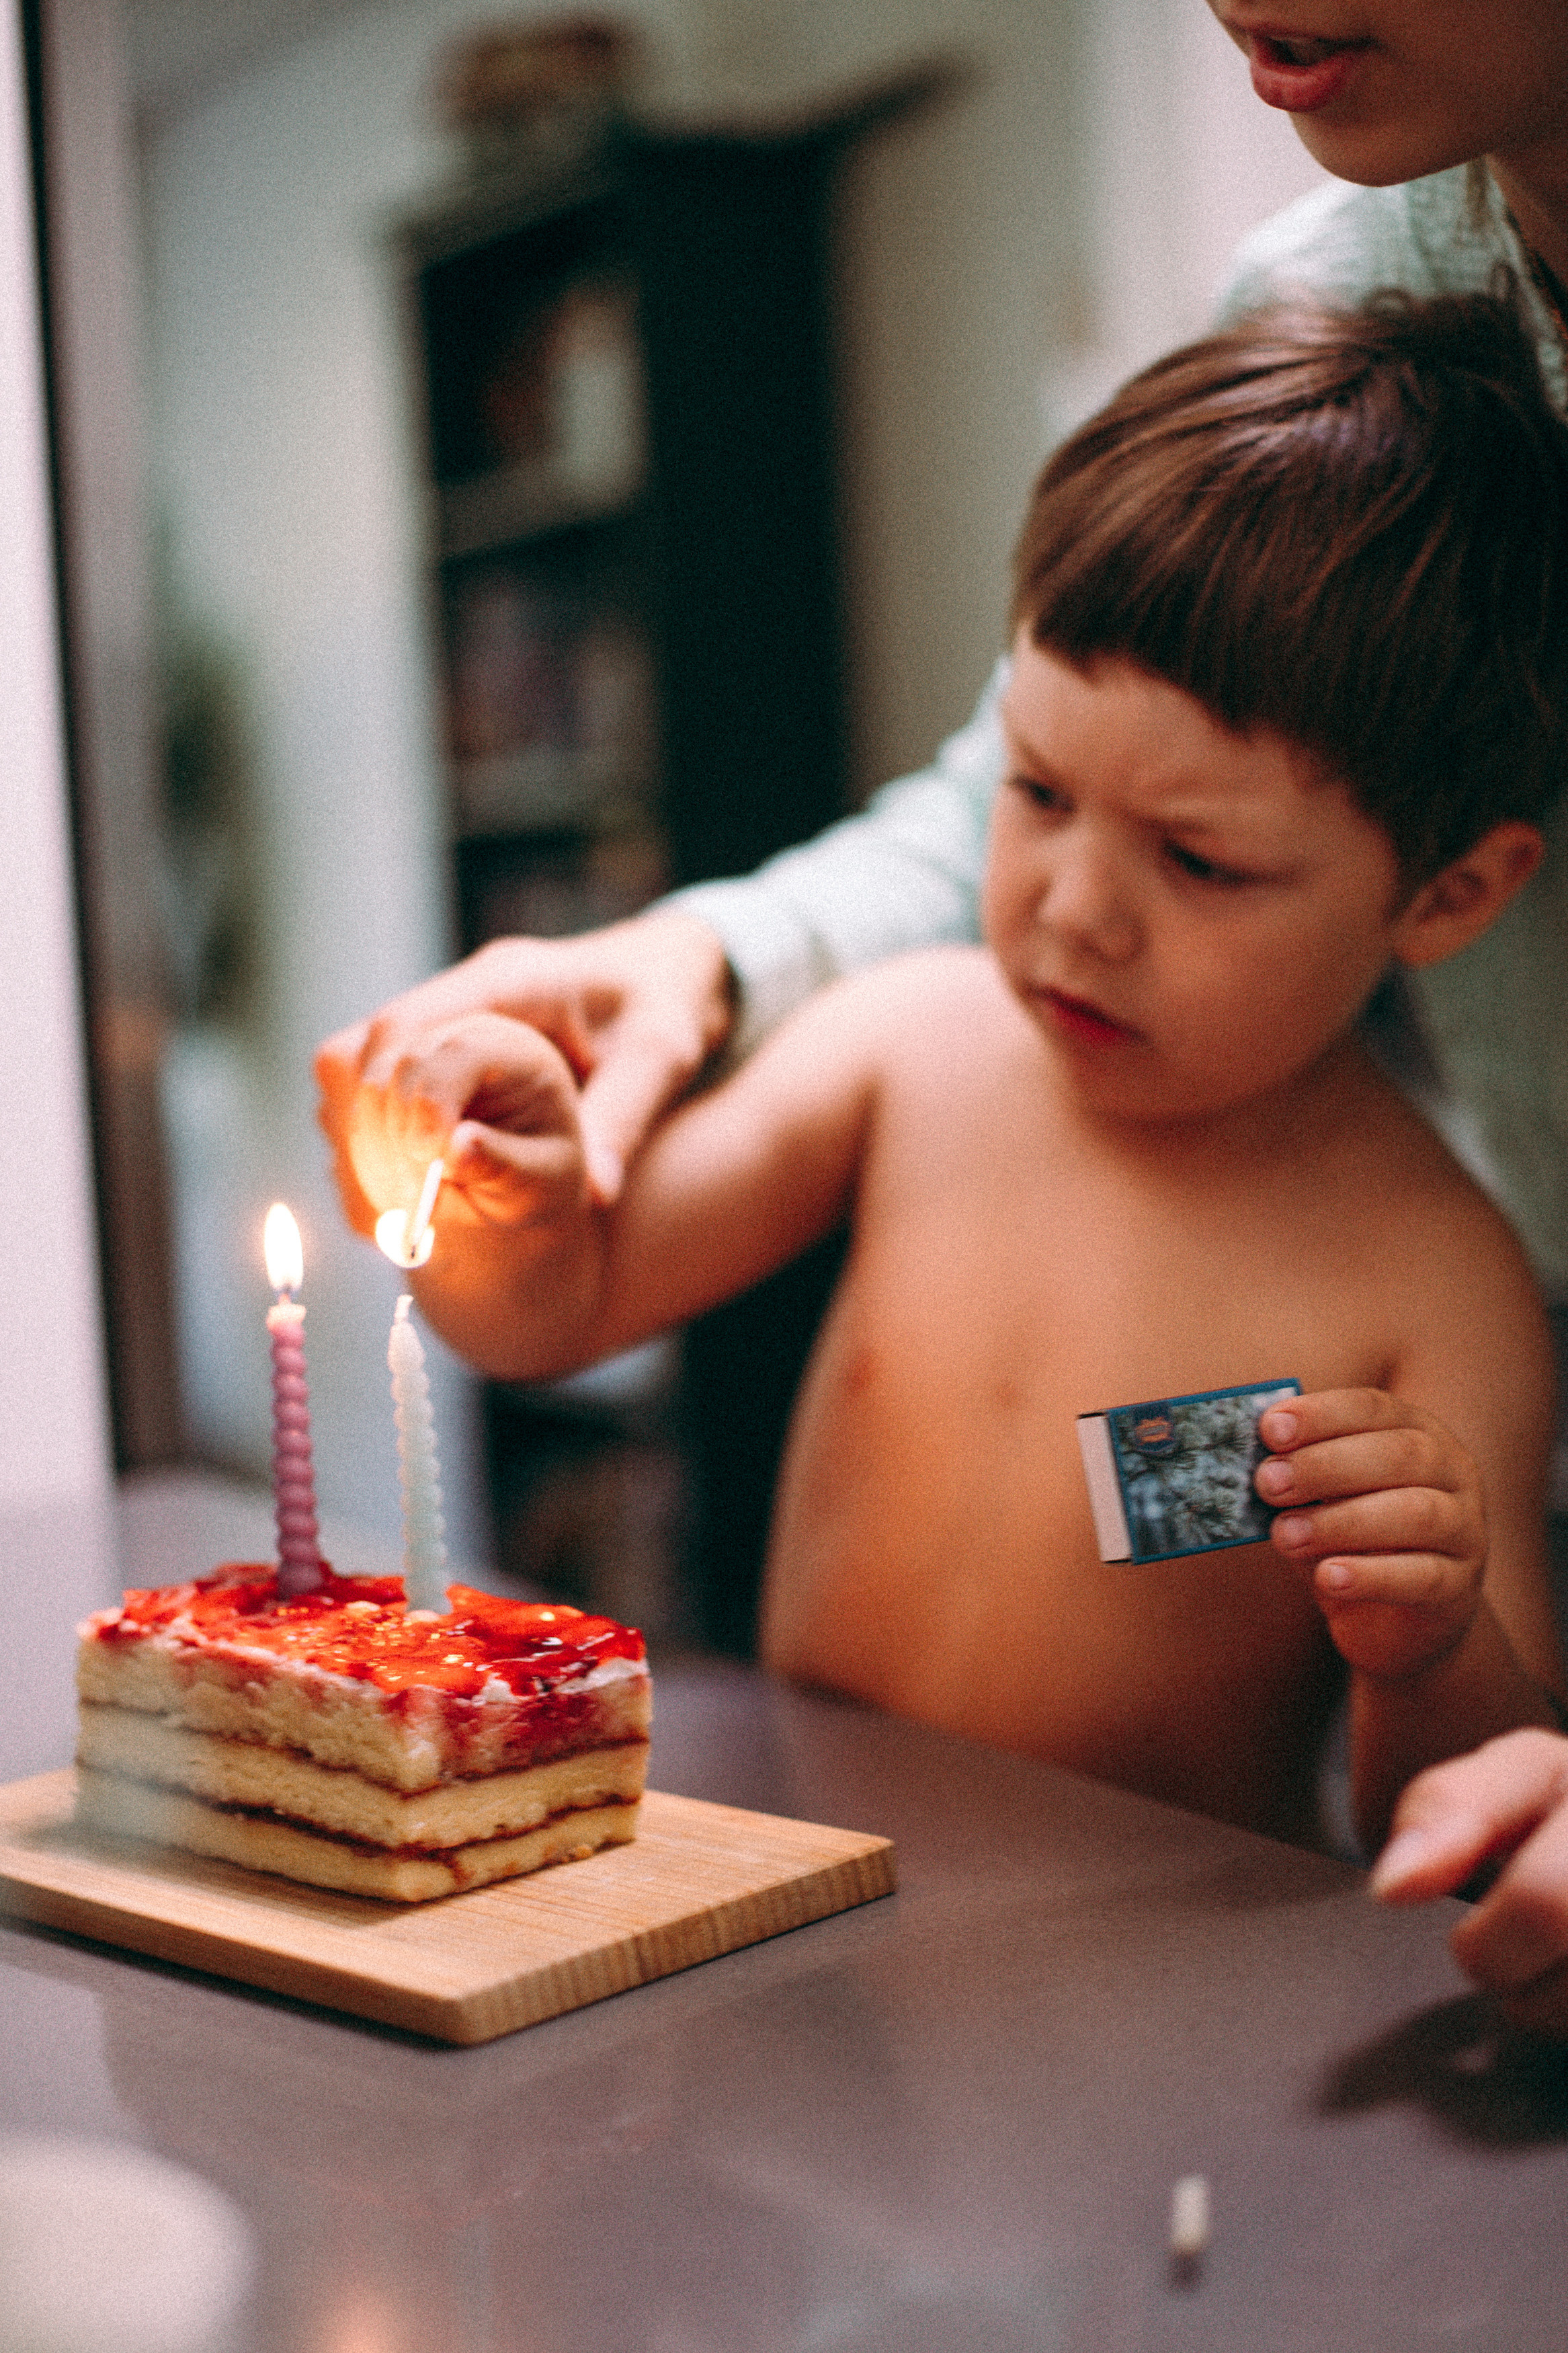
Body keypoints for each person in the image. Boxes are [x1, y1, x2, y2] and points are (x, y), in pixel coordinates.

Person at [358, 294, 1567, 1858]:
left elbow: (1473, 1832)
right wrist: (516, 1195)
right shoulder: (909, 1044)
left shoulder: (1438, 1276)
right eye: (1038, 791)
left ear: (1448, 895)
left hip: (1129, 1993)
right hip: (790, 1901)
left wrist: (1433, 1642)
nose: (1074, 908)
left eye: (1197, 861)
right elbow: (549, 1315)